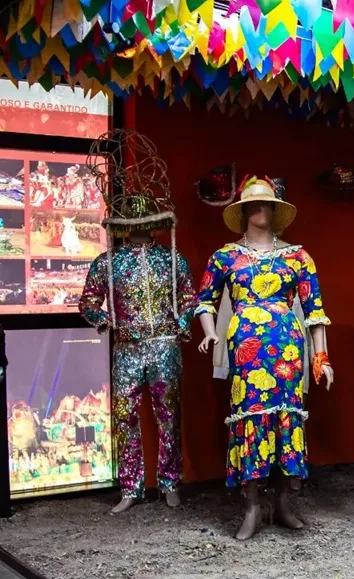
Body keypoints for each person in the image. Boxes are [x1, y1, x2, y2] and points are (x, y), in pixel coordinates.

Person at [196, 176, 333, 541]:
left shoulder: (298, 256)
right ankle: (253, 506)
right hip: (246, 351)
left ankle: (286, 503)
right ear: (241, 212)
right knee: (250, 422)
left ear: (276, 210)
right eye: (253, 205)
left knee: (288, 421)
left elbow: (315, 310)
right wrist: (210, 332)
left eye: (267, 204)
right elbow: (205, 301)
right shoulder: (225, 256)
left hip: (288, 349)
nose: (261, 211)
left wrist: (322, 357)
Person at [79, 131, 196, 513]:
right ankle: (130, 487)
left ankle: (169, 483)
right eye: (134, 219)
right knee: (125, 417)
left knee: (169, 417)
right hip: (127, 348)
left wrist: (182, 323)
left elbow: (191, 298)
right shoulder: (108, 262)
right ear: (124, 223)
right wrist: (105, 321)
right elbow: (89, 301)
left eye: (146, 219)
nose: (140, 225)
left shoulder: (171, 259)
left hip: (163, 346)